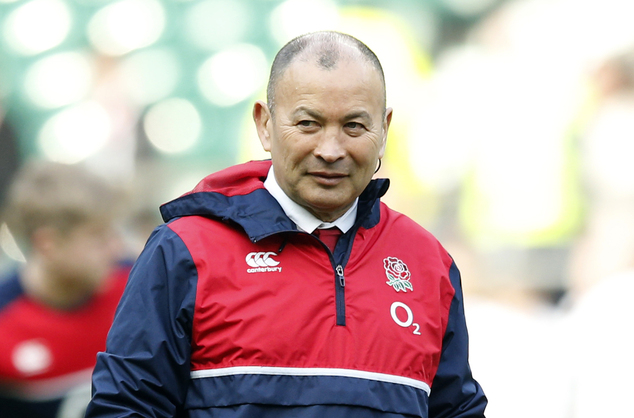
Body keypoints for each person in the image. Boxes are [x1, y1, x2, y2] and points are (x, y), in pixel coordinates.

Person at [86, 31, 487, 418]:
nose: (330, 150)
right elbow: (126, 408)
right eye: (308, 124)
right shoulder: (185, 251)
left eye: (354, 126)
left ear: (384, 130)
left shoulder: (428, 264)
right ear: (265, 124)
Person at [0, 160, 130, 418]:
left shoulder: (138, 287)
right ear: (48, 243)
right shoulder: (5, 319)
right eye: (98, 236)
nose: (115, 248)